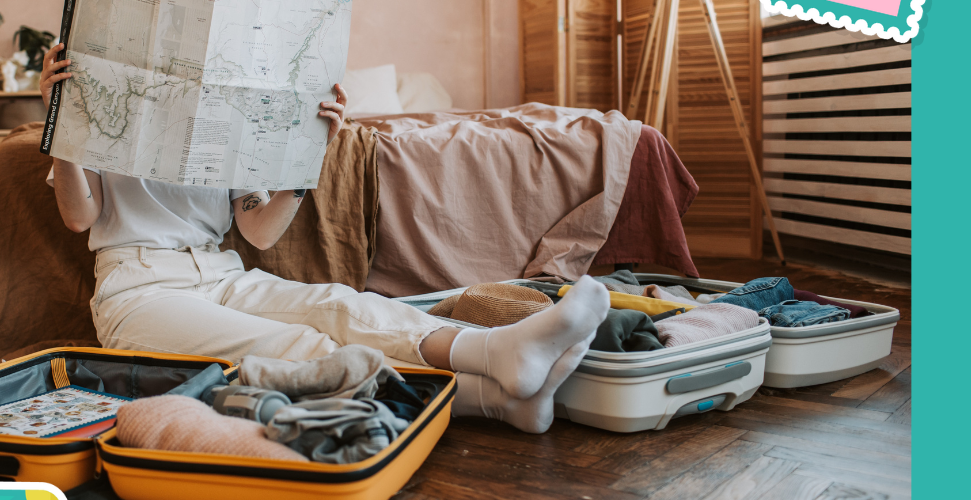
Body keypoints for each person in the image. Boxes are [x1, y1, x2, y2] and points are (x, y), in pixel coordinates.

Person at [39, 43, 610, 433]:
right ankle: (490, 400)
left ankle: (498, 354)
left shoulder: (224, 122)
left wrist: (307, 156)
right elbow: (78, 217)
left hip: (220, 274)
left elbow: (258, 230)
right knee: (297, 346)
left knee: (341, 305)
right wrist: (61, 126)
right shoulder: (102, 113)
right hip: (139, 290)